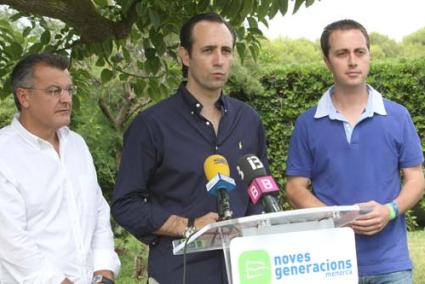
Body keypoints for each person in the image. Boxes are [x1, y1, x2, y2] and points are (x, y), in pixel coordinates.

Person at [112, 12, 268, 284]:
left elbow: (259, 193)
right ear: (185, 56)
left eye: (226, 50)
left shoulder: (249, 120)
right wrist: (188, 226)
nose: (219, 60)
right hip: (179, 273)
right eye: (208, 50)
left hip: (245, 270)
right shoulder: (151, 125)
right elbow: (126, 205)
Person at [285, 19, 425, 283]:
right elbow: (294, 188)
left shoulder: (397, 116)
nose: (352, 61)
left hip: (390, 265)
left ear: (369, 56)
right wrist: (335, 219)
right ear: (327, 61)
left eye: (359, 52)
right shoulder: (307, 123)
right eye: (341, 53)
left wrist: (390, 210)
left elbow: (416, 178)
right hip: (330, 263)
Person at [0, 53, 120, 284]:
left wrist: (104, 272)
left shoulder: (76, 144)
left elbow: (97, 212)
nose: (66, 99)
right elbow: (12, 243)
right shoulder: (4, 154)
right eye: (54, 91)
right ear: (23, 97)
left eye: (69, 90)